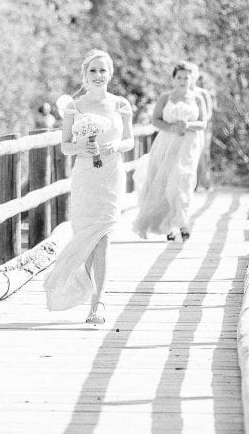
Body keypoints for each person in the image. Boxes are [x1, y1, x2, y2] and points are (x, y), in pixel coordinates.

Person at [44, 49, 134, 324]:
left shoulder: (121, 105)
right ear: (85, 74)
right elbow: (65, 145)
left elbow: (129, 141)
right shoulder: (74, 105)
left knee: (104, 235)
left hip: (111, 176)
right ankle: (82, 287)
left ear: (110, 74)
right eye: (92, 71)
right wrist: (82, 145)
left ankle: (99, 302)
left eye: (102, 70)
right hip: (85, 176)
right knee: (86, 236)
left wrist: (115, 145)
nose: (97, 76)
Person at [133, 61, 208, 242]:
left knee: (182, 181)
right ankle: (167, 226)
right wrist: (171, 127)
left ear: (191, 80)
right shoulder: (165, 98)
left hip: (188, 146)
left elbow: (203, 123)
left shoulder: (197, 98)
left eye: (186, 78)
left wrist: (188, 125)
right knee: (165, 181)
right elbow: (156, 120)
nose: (182, 81)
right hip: (167, 143)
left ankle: (182, 223)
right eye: (179, 77)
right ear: (174, 79)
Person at [194, 76, 214, 191]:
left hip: (204, 128)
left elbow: (209, 112)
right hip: (194, 127)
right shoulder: (191, 91)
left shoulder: (205, 93)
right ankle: (195, 183)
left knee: (203, 154)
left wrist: (201, 121)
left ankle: (204, 183)